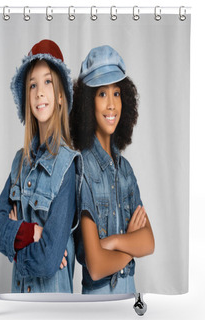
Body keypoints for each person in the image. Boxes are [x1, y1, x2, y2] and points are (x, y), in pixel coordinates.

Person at [0, 39, 82, 293]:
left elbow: (49, 260)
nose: (39, 92)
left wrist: (15, 242)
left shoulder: (68, 165)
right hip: (19, 299)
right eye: (33, 85)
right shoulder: (20, 162)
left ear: (61, 96)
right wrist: (32, 232)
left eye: (47, 82)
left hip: (52, 304)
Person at [70, 45, 155, 294]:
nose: (111, 105)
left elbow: (149, 242)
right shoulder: (83, 168)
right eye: (102, 94)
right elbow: (95, 266)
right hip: (98, 298)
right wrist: (130, 248)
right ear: (87, 103)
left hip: (131, 292)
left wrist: (114, 241)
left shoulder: (125, 170)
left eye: (116, 93)